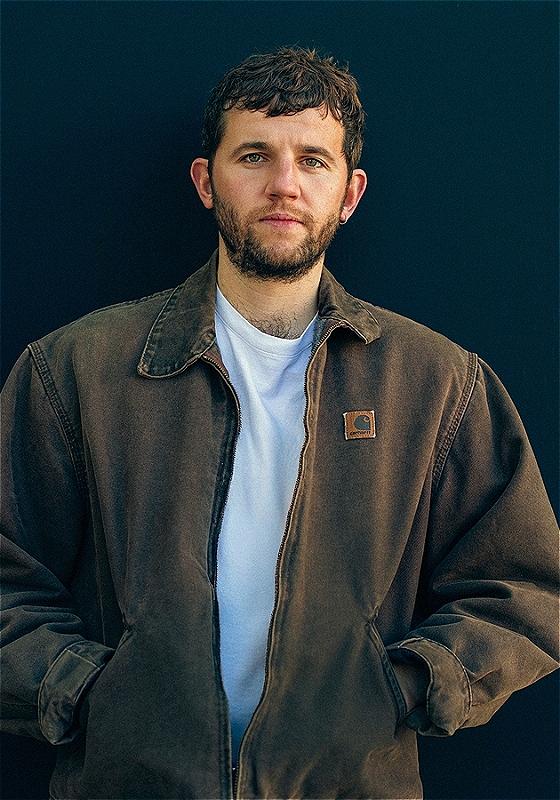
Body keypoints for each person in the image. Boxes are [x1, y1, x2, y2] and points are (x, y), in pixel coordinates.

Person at [1, 46, 558, 800]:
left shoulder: (435, 382)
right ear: (206, 181)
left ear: (350, 193)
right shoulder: (77, 369)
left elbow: (526, 586)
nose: (284, 184)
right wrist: (87, 695)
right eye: (255, 155)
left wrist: (404, 688)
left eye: (313, 160)